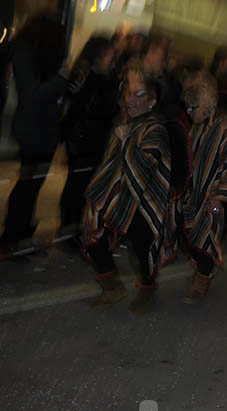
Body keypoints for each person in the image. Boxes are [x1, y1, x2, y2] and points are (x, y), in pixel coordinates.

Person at [83, 61, 171, 314]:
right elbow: (110, 163)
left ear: (152, 101)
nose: (131, 100)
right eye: (128, 93)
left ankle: (147, 289)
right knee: (91, 224)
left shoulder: (155, 127)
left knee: (142, 248)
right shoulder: (123, 123)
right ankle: (112, 287)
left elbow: (142, 168)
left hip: (144, 201)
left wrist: (125, 140)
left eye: (139, 94)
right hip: (119, 195)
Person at [166, 72, 227, 302]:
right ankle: (201, 265)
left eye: (192, 107)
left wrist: (219, 197)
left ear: (206, 105)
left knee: (206, 233)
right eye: (187, 107)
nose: (189, 112)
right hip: (194, 193)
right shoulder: (196, 128)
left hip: (218, 198)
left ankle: (203, 277)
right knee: (180, 227)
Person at [0, 14, 69, 255]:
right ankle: (11, 236)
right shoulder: (24, 53)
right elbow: (32, 95)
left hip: (43, 130)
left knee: (33, 184)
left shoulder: (35, 54)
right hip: (32, 131)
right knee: (27, 184)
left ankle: (21, 233)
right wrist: (61, 78)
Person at [58, 36, 119, 237]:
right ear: (100, 56)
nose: (113, 60)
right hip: (83, 137)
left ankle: (73, 224)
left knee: (82, 184)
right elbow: (80, 107)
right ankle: (69, 225)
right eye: (110, 56)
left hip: (92, 137)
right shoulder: (86, 75)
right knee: (76, 185)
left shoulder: (106, 77)